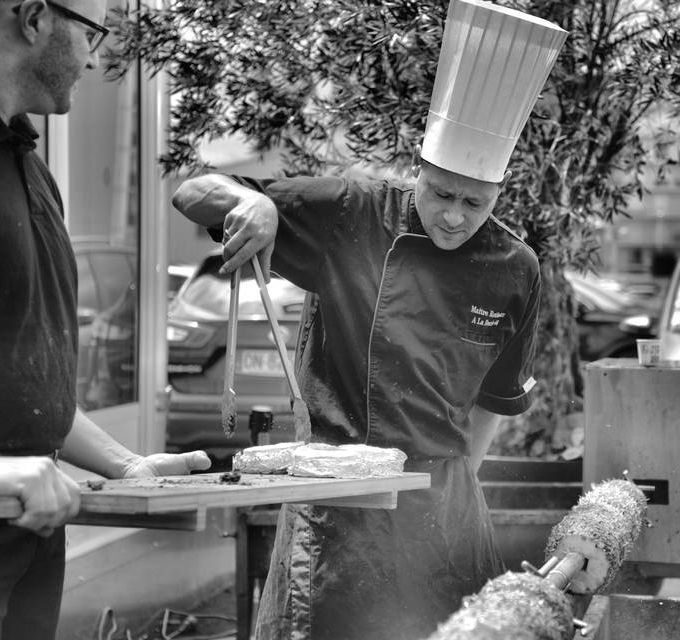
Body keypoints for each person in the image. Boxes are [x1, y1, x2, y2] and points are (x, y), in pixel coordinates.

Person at [172, 2, 566, 637]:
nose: (455, 218)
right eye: (441, 194)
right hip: (337, 509)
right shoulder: (354, 213)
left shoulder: (515, 267)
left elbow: (495, 402)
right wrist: (251, 203)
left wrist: (452, 492)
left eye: (476, 202)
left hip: (443, 512)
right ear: (418, 172)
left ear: (500, 194)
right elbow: (192, 191)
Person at [0, 1, 211, 638]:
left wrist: (124, 464)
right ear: (33, 18)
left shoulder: (30, 169)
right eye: (91, 34)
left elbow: (29, 386)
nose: (96, 58)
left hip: (30, 534)